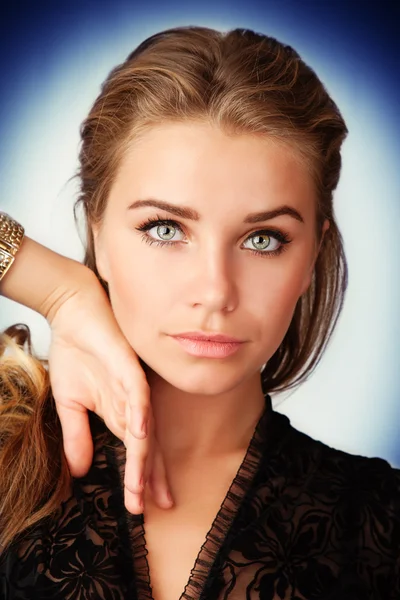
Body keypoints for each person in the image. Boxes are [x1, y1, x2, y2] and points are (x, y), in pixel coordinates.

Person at [0, 24, 399, 600]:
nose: (215, 291)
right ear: (100, 235)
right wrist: (58, 289)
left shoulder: (379, 521)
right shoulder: (9, 441)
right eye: (164, 229)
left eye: (263, 239)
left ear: (313, 253)